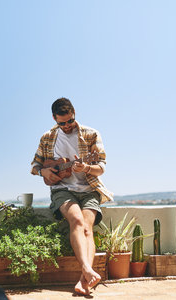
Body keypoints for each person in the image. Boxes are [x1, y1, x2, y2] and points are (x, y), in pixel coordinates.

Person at [30, 97, 113, 296]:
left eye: (70, 121)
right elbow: (35, 166)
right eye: (62, 123)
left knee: (87, 226)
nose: (67, 126)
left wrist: (86, 167)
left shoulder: (91, 134)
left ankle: (84, 277)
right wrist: (44, 172)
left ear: (74, 114)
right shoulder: (48, 137)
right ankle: (87, 271)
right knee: (76, 220)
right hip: (62, 190)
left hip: (89, 188)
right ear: (54, 119)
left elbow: (100, 168)